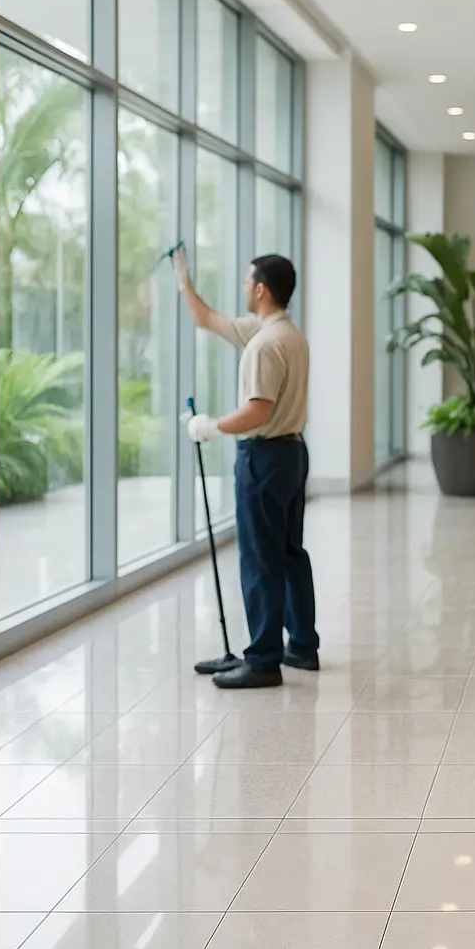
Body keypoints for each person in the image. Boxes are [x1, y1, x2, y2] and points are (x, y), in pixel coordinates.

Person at [175, 249, 319, 689]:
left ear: (260, 289)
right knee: (291, 553)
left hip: (264, 457)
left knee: (260, 558)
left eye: (246, 282)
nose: (242, 289)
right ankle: (300, 645)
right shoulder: (286, 334)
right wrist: (184, 281)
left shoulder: (263, 345)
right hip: (293, 454)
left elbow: (257, 411)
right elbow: (209, 319)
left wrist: (210, 427)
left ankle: (262, 660)